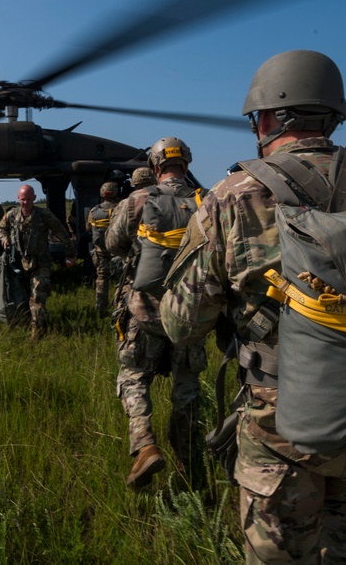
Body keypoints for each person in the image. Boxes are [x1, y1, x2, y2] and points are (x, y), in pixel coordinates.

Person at [161, 50, 346, 563]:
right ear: (334, 113)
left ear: (270, 116)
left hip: (285, 424)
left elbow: (181, 324)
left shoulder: (233, 196)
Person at [105, 137, 207, 491]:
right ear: (187, 163)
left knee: (134, 377)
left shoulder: (137, 200)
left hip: (144, 310)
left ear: (154, 166)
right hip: (192, 314)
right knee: (187, 393)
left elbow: (112, 244)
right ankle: (190, 469)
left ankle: (145, 445)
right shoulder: (205, 200)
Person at [0, 184, 76, 340]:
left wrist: (70, 254)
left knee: (38, 296)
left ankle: (37, 333)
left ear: (34, 198)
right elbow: (2, 228)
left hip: (41, 263)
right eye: (22, 199)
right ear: (18, 199)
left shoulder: (44, 215)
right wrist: (5, 239)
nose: (25, 203)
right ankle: (28, 321)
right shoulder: (12, 215)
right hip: (19, 263)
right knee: (22, 295)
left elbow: (62, 233)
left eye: (28, 199)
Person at [85, 181, 122, 316]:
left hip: (100, 251)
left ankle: (100, 308)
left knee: (101, 278)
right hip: (117, 251)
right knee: (121, 279)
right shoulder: (120, 208)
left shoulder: (94, 211)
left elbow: (88, 228)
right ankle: (119, 307)